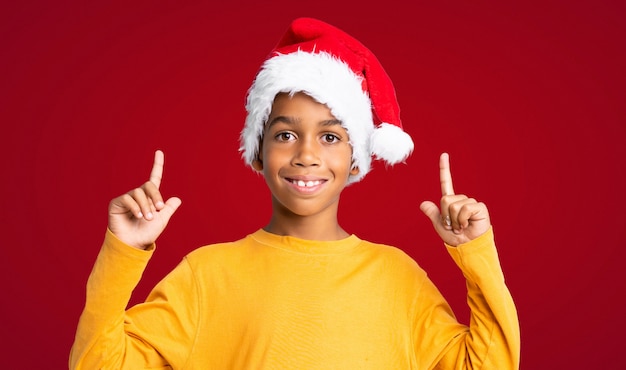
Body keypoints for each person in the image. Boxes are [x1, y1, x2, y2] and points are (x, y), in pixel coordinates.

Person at [70, 17, 520, 369]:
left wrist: (476, 255)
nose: (306, 154)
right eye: (285, 135)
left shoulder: (398, 278)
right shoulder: (205, 276)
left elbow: (490, 365)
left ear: (356, 158)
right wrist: (124, 251)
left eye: (329, 137)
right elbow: (97, 364)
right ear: (257, 153)